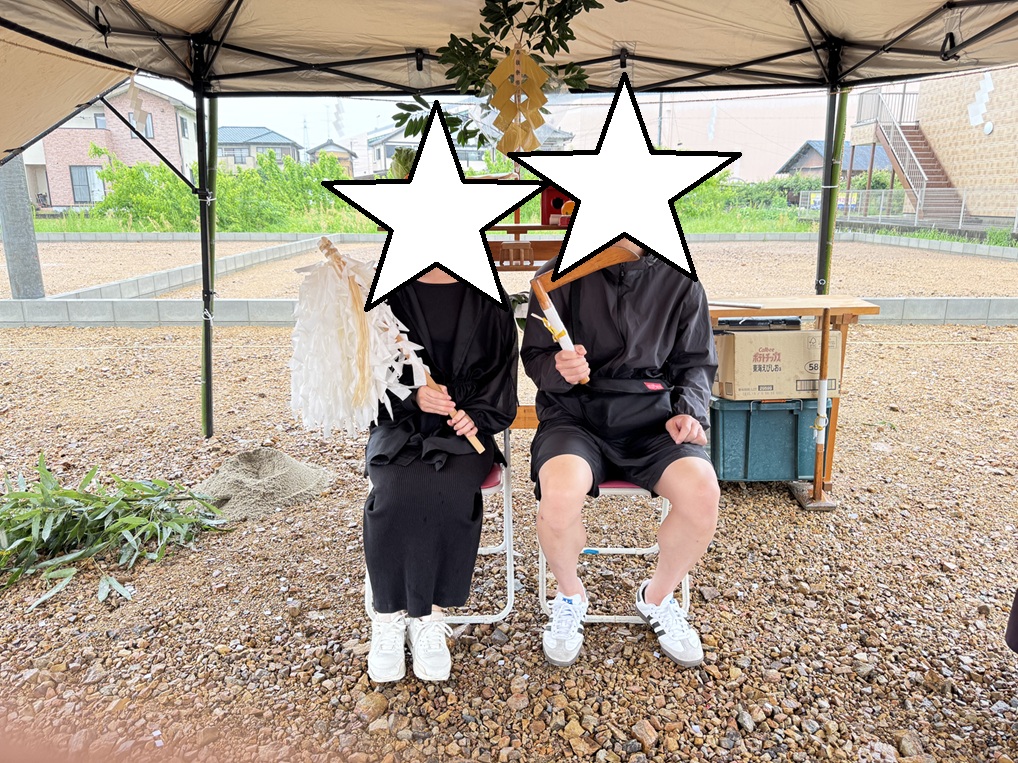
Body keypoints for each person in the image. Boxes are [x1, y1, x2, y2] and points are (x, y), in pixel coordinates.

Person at [521, 241, 720, 668]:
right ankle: (569, 595)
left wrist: (688, 411)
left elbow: (696, 361)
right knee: (558, 496)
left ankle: (658, 597)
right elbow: (535, 355)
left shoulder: (680, 278)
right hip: (574, 415)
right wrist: (558, 367)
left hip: (655, 418)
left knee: (702, 492)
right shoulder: (555, 275)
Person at [363, 269, 519, 683]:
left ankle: (429, 615)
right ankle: (388, 614)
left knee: (447, 488)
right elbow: (363, 376)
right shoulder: (386, 294)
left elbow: (502, 378)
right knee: (395, 489)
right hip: (399, 424)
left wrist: (477, 416)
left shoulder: (490, 297)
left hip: (464, 430)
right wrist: (413, 396)